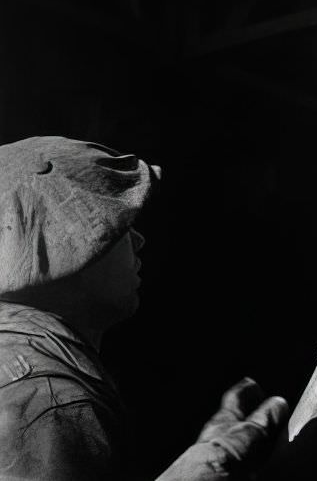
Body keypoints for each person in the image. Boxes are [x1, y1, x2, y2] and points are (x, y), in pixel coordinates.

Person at [0, 135, 288, 480]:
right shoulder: (48, 402)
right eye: (118, 227)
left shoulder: (28, 370)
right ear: (73, 250)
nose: (138, 240)